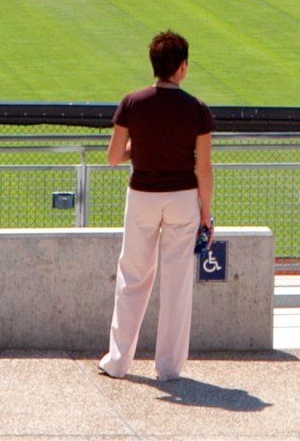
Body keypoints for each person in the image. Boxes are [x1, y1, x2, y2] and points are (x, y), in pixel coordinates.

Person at [98, 30, 214, 383]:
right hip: (182, 199)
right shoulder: (197, 109)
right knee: (177, 282)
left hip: (142, 197)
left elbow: (115, 157)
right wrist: (206, 215)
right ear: (182, 67)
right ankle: (168, 368)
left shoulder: (132, 103)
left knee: (133, 276)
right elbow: (204, 168)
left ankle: (118, 361)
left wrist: (141, 145)